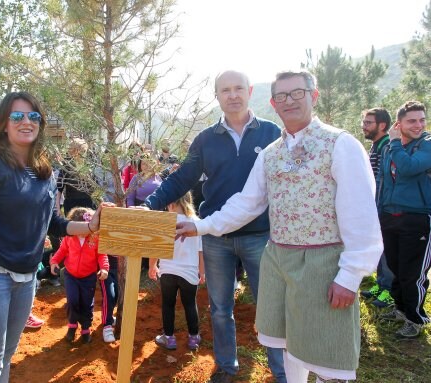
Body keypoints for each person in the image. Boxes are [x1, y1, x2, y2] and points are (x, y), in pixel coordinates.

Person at [176, 70, 382, 383]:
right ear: (273, 103)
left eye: (297, 93)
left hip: (324, 265)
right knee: (289, 348)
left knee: (327, 354)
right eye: (282, 96)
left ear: (313, 96)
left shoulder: (341, 145)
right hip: (279, 262)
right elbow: (247, 203)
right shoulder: (271, 154)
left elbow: (362, 215)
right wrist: (201, 226)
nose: (289, 101)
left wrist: (350, 275)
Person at [0, 92, 107, 383]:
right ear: (4, 123)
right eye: (17, 116)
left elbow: (52, 222)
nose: (26, 121)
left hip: (26, 279)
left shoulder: (44, 171)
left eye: (33, 116)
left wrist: (91, 227)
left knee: (6, 358)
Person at [145, 70, 284, 383]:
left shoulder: (271, 132)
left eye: (238, 88)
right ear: (217, 95)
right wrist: (148, 205)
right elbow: (182, 178)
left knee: (270, 307)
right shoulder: (206, 139)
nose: (232, 95)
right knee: (220, 309)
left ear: (250, 91)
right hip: (215, 236)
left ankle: (282, 371)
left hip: (260, 235)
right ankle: (225, 367)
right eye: (225, 90)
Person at [378, 101, 431, 339]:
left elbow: (409, 168)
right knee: (396, 267)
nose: (419, 125)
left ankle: (415, 319)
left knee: (413, 273)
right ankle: (400, 309)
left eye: (422, 119)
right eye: (412, 120)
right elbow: (383, 180)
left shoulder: (427, 144)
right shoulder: (391, 148)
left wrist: (396, 142)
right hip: (390, 216)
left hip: (417, 218)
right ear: (399, 124)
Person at [149, 192, 205, 351]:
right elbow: (201, 251)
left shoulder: (166, 222)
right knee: (189, 304)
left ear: (172, 204)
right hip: (189, 273)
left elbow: (156, 247)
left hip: (168, 271)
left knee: (168, 304)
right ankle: (194, 338)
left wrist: (152, 266)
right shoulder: (196, 223)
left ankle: (169, 338)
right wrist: (202, 272)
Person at [50, 207, 109, 344]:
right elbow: (62, 250)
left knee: (87, 304)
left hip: (88, 277)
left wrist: (104, 268)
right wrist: (54, 261)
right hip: (71, 275)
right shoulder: (69, 238)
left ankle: (86, 329)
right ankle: (72, 325)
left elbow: (102, 255)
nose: (82, 233)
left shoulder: (96, 238)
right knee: (72, 301)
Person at [358, 107, 395, 308]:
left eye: (368, 123)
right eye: (363, 122)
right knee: (380, 247)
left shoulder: (387, 146)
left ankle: (389, 290)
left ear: (382, 125)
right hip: (375, 208)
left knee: (388, 248)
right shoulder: (376, 145)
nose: (364, 126)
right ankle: (381, 284)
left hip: (384, 208)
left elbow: (384, 181)